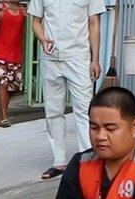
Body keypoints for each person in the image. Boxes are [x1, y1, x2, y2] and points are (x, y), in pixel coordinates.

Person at [28, 0, 105, 180]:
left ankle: (89, 161)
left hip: (79, 58)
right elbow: (36, 21)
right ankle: (59, 162)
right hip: (51, 58)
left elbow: (94, 23)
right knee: (53, 111)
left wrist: (95, 59)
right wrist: (42, 38)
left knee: (85, 111)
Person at [0, 1, 25, 128]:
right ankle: (4, 117)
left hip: (15, 53)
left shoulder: (22, 9)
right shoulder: (1, 7)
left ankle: (2, 113)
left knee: (13, 86)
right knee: (3, 82)